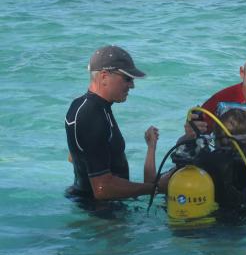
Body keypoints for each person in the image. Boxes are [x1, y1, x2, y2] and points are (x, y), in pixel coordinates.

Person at [65, 45, 170, 201]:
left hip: (90, 204)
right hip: (101, 215)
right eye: (127, 78)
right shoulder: (92, 114)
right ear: (104, 76)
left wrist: (151, 147)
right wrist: (155, 188)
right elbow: (102, 189)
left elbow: (75, 156)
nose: (132, 85)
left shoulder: (83, 105)